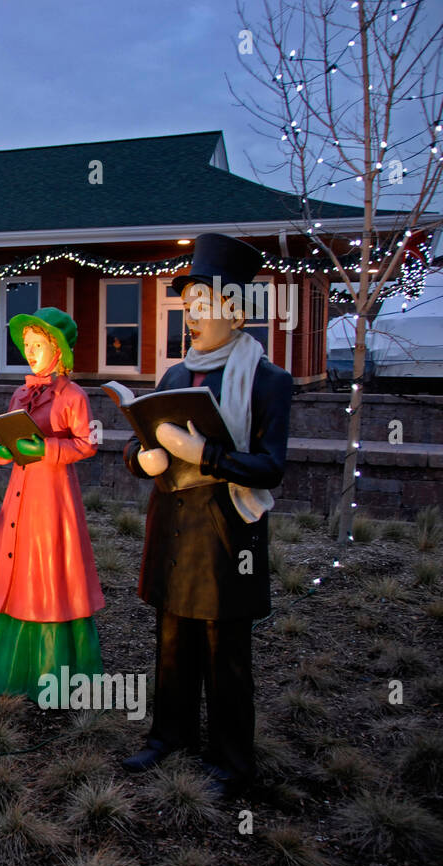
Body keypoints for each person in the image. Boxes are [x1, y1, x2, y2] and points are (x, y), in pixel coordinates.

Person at [120, 233, 292, 799]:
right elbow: (141, 438)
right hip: (173, 529)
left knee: (225, 653)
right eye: (187, 307)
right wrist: (141, 458)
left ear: (236, 311)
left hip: (226, 537)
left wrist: (208, 456)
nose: (191, 318)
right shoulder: (174, 377)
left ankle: (232, 761)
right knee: (171, 640)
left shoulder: (267, 381)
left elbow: (269, 468)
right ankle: (169, 735)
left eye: (203, 306)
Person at [0, 307, 105, 698]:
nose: (30, 351)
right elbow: (12, 443)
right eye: (27, 345)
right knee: (14, 564)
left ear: (58, 349)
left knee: (47, 568)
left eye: (38, 344)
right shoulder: (21, 392)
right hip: (20, 492)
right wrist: (1, 446)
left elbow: (87, 444)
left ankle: (52, 669)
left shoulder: (73, 396)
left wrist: (44, 447)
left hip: (52, 496)